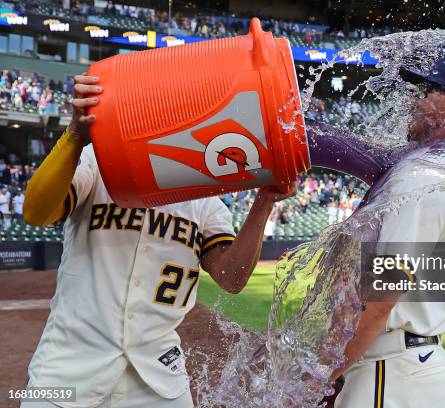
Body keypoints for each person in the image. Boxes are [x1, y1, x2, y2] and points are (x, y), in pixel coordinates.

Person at [21, 74, 294, 407]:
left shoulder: (207, 203)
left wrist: (263, 201)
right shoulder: (97, 161)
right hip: (67, 368)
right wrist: (74, 137)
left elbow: (232, 279)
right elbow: (36, 212)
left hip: (159, 378)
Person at [323, 48, 445, 408]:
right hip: (417, 367)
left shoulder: (425, 176)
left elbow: (381, 300)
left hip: (387, 371)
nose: (413, 101)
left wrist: (323, 378)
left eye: (426, 92)